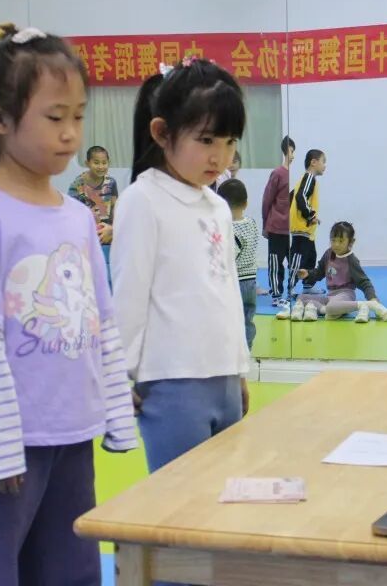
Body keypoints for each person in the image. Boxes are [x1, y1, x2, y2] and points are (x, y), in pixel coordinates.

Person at [0, 24, 137, 586]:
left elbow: (100, 321)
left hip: (69, 436)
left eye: (78, 116)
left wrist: (115, 413)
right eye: (54, 117)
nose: (70, 134)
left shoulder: (77, 217)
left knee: (68, 571)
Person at [113, 57, 251, 474]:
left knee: (224, 497)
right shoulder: (142, 200)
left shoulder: (218, 206)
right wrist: (117, 378)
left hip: (224, 377)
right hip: (171, 381)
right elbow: (129, 296)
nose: (220, 156)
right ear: (161, 133)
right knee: (177, 501)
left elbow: (229, 291)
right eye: (206, 140)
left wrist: (240, 367)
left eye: (230, 142)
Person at [289, 221, 387, 324]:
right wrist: (308, 274)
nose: (336, 244)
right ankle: (329, 311)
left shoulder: (351, 260)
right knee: (300, 298)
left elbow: (364, 282)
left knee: (331, 307)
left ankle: (367, 305)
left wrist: (373, 298)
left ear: (351, 242)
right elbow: (319, 272)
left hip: (345, 295)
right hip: (330, 296)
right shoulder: (328, 253)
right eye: (333, 240)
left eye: (341, 241)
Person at [217, 178, 260, 351]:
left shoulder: (231, 229)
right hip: (251, 281)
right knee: (247, 318)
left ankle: (232, 351)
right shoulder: (251, 223)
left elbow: (229, 259)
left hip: (236, 282)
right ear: (246, 203)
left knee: (230, 319)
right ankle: (247, 349)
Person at [68, 145, 119, 278]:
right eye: (96, 162)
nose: (101, 166)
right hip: (88, 234)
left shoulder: (111, 182)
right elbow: (72, 214)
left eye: (104, 162)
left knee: (108, 271)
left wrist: (114, 229)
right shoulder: (77, 185)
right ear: (87, 163)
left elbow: (115, 208)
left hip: (107, 233)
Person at [262, 136, 295, 309]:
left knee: (292, 261)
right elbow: (267, 199)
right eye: (291, 150)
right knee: (275, 262)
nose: (293, 155)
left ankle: (289, 291)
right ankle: (276, 294)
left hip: (290, 228)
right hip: (276, 227)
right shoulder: (277, 173)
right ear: (285, 151)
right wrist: (265, 224)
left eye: (294, 151)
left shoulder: (293, 175)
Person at [288, 149, 326, 295]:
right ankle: (290, 287)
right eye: (323, 161)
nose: (325, 165)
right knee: (298, 259)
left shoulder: (306, 180)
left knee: (311, 257)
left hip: (307, 230)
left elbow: (293, 196)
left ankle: (308, 286)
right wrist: (310, 215)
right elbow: (300, 197)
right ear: (313, 162)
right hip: (301, 227)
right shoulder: (309, 177)